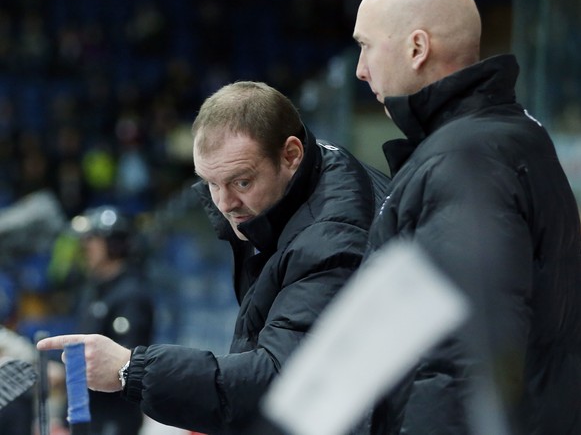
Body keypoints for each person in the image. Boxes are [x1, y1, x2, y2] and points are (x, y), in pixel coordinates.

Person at [37, 81, 391, 434]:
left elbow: (281, 382)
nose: (225, 204)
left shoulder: (329, 237)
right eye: (210, 183)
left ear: (291, 155)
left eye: (241, 182)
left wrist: (131, 368)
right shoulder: (312, 180)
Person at [352, 0, 581, 434]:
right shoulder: (502, 138)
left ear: (417, 47)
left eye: (365, 46)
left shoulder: (462, 157)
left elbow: (462, 360)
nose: (360, 70)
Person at [59, 205, 155, 435]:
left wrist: (65, 373)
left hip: (113, 417)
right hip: (86, 412)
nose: (85, 247)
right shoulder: (92, 291)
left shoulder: (131, 295)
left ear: (114, 245)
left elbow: (126, 362)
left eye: (92, 240)